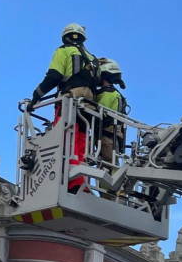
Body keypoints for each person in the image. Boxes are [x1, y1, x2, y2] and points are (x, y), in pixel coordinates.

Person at [26, 23, 101, 193]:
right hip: (89, 105)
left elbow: (54, 76)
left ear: (65, 37)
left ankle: (70, 181)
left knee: (65, 137)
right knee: (81, 141)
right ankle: (82, 183)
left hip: (70, 99)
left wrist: (36, 96)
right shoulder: (92, 58)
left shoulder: (64, 51)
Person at [94, 58, 128, 166]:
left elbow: (100, 115)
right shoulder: (114, 93)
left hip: (107, 137)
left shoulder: (108, 94)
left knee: (108, 168)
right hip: (110, 137)